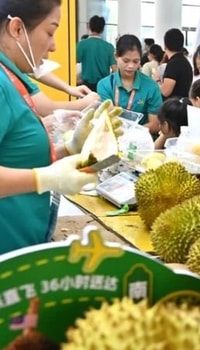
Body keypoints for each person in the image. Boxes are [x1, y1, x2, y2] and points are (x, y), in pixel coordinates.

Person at [0, 0, 105, 254]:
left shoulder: (13, 78)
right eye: (50, 31)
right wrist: (45, 178)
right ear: (16, 29)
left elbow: (16, 158)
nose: (54, 45)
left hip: (21, 248)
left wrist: (68, 148)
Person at [97, 35, 163, 134]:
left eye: (136, 61)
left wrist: (130, 134)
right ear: (116, 56)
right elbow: (106, 118)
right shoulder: (105, 85)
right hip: (110, 138)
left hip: (140, 142)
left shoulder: (151, 87)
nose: (131, 66)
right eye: (126, 61)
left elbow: (154, 124)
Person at [76, 15, 116, 92]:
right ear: (103, 29)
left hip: (86, 86)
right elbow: (115, 70)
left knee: (87, 104)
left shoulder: (81, 44)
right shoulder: (109, 47)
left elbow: (72, 64)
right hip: (104, 86)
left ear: (89, 27)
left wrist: (77, 80)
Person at [152, 28, 193, 99]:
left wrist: (157, 80)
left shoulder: (174, 64)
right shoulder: (185, 62)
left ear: (165, 45)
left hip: (173, 107)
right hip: (182, 105)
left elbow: (165, 92)